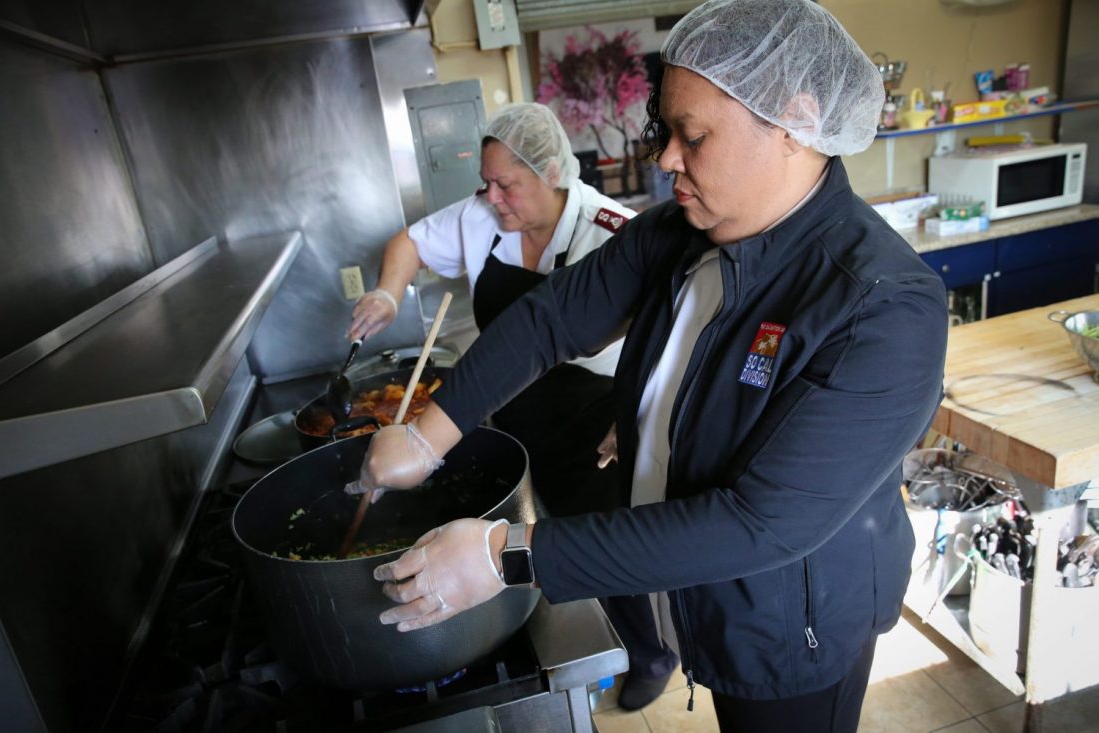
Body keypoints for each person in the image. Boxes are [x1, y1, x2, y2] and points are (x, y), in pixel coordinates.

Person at [350, 1, 949, 730]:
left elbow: (759, 524)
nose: (666, 158)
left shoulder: (883, 306)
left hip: (790, 622)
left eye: (692, 136)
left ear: (793, 123)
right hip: (688, 584)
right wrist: (424, 433)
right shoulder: (682, 232)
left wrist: (504, 554)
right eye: (664, 131)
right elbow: (549, 318)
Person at [346, 102, 679, 709]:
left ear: (552, 172)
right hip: (520, 413)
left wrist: (630, 412)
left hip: (596, 420)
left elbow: (672, 331)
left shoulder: (612, 229)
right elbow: (410, 242)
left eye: (508, 184)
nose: (492, 197)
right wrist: (390, 294)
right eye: (487, 182)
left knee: (604, 538)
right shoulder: (481, 217)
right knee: (539, 530)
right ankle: (584, 630)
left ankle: (652, 655)